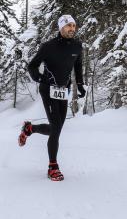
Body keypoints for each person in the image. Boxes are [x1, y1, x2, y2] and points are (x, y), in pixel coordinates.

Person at [18, 15, 86, 181]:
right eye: (68, 26)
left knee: (57, 128)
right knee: (56, 127)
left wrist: (80, 83)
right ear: (61, 28)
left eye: (73, 25)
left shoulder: (77, 46)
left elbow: (77, 64)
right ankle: (52, 167)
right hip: (47, 89)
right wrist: (40, 78)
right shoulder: (48, 47)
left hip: (63, 90)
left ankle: (30, 129)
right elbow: (32, 65)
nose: (72, 28)